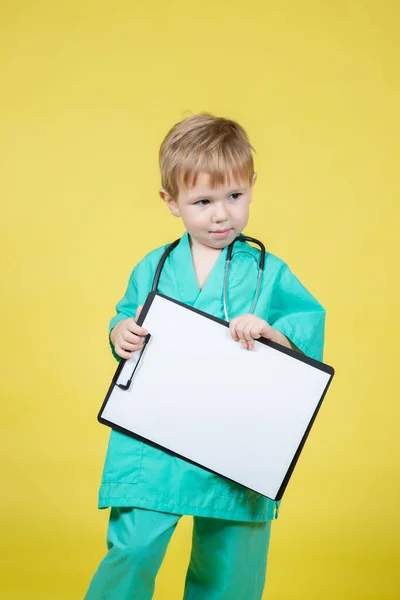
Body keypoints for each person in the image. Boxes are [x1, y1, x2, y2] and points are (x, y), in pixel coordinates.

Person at [84, 113, 326, 599]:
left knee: (230, 567)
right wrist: (119, 333)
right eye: (203, 202)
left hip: (234, 443)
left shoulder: (268, 273)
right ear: (170, 202)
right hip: (154, 440)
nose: (222, 215)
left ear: (252, 187)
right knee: (132, 550)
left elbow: (306, 334)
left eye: (234, 197)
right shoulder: (153, 267)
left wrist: (270, 333)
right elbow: (126, 319)